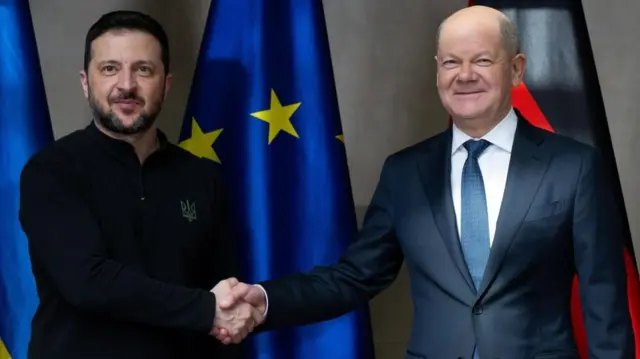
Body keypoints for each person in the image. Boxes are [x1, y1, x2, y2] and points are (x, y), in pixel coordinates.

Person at [212, 5, 635, 359]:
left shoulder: (574, 167)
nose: (464, 74)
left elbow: (604, 303)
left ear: (517, 69)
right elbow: (354, 277)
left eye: (483, 60)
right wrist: (264, 300)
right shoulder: (404, 172)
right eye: (451, 61)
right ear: (437, 71)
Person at [18, 10, 261, 359]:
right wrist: (205, 309)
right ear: (86, 82)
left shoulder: (202, 177)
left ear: (166, 82)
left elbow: (226, 295)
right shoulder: (51, 171)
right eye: (110, 68)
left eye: (143, 69)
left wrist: (221, 312)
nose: (126, 85)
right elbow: (88, 281)